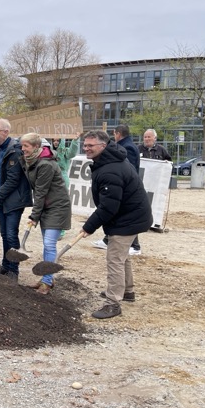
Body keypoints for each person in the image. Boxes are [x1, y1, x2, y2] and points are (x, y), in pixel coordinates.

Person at [80, 130, 152, 319]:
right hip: (130, 215)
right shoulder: (108, 161)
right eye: (85, 145)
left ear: (103, 146)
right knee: (122, 257)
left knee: (114, 259)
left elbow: (109, 207)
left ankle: (113, 303)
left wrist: (88, 226)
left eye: (90, 145)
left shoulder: (110, 169)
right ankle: (127, 291)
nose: (86, 148)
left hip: (128, 219)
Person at [19, 133, 72, 294]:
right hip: (46, 207)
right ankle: (46, 278)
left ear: (36, 147)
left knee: (49, 244)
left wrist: (34, 216)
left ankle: (47, 282)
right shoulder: (32, 161)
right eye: (22, 146)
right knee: (46, 245)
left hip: (57, 207)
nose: (23, 149)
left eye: (26, 146)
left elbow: (41, 192)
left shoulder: (46, 165)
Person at [0, 119, 33, 282]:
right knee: (3, 234)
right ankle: (5, 265)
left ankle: (13, 270)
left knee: (11, 234)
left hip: (14, 199)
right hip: (3, 198)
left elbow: (13, 180)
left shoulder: (14, 150)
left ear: (5, 132)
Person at [92, 124, 142, 255]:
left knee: (126, 217)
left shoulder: (127, 148)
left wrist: (88, 227)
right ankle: (107, 239)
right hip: (123, 187)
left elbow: (125, 171)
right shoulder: (126, 146)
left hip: (126, 188)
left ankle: (135, 246)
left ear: (118, 134)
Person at [49, 134, 82, 239]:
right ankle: (52, 227)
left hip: (62, 179)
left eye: (58, 140)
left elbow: (72, 151)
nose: (56, 142)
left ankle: (61, 229)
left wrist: (75, 140)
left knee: (61, 205)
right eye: (54, 140)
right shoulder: (49, 152)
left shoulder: (65, 152)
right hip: (50, 179)